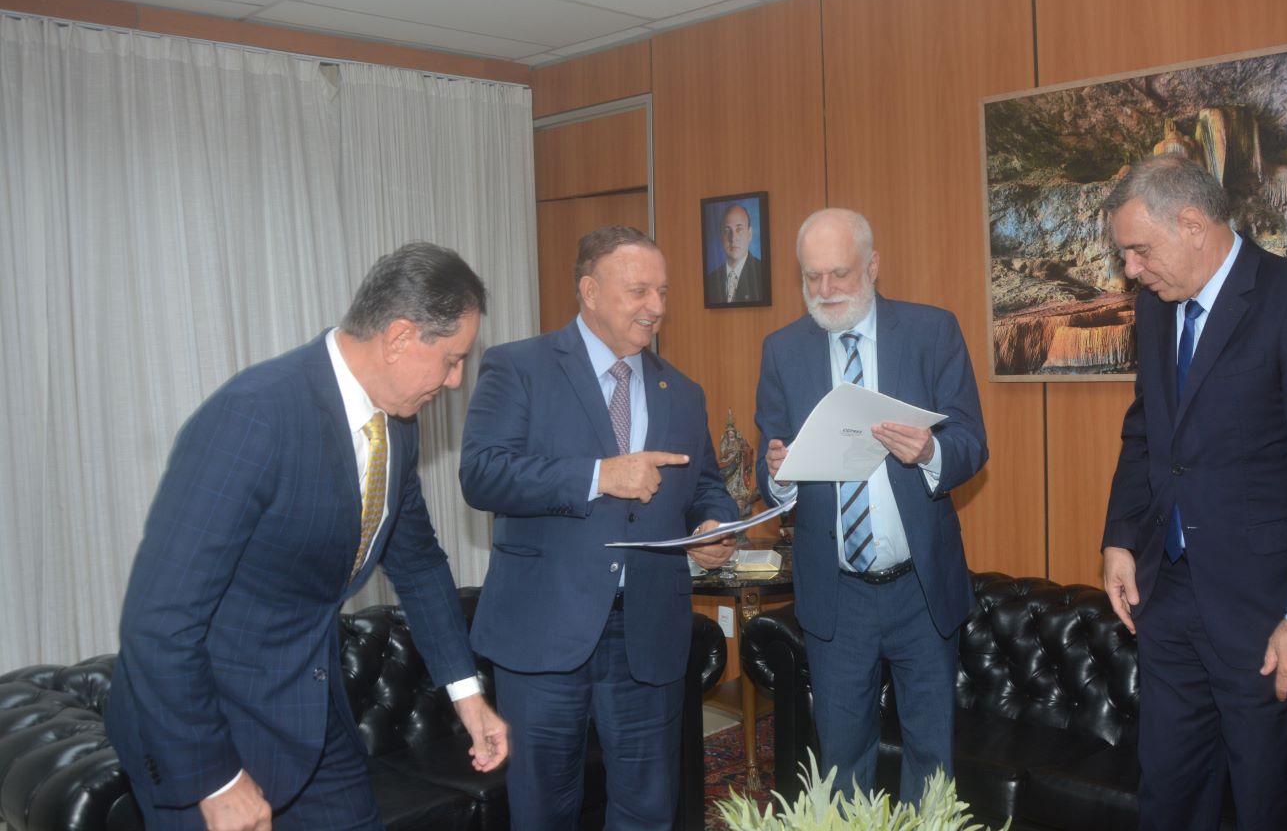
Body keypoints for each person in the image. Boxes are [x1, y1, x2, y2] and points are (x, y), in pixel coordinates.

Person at [106, 242, 508, 831]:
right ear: (399, 338)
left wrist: (466, 693)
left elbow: (418, 563)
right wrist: (214, 780)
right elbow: (159, 620)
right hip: (202, 723)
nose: (454, 381)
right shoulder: (253, 417)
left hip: (309, 714)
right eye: (451, 359)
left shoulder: (397, 427)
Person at [1099, 155, 1287, 831]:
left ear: (1193, 225)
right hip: (1172, 600)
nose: (1130, 270)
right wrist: (1121, 537)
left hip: (1274, 614)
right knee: (1169, 798)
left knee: (1268, 806)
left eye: (1139, 250)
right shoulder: (1156, 308)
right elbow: (1146, 433)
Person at [459, 224, 738, 830]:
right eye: (639, 291)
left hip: (648, 631)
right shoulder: (518, 367)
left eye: (663, 292)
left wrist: (715, 523)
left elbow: (706, 483)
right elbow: (482, 475)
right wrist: (597, 475)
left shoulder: (682, 391)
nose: (656, 307)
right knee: (544, 811)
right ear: (589, 291)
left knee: (648, 809)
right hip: (544, 631)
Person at [754, 207, 988, 802]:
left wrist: (931, 450)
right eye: (812, 277)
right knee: (841, 762)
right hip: (838, 595)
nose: (825, 289)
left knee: (931, 760)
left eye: (839, 273)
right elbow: (769, 460)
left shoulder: (932, 332)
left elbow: (971, 442)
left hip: (920, 588)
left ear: (873, 265)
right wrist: (779, 474)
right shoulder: (783, 350)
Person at [705, 203, 767, 305]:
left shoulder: (763, 274)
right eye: (727, 230)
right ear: (721, 236)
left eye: (739, 229)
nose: (733, 238)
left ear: (750, 234)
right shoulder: (710, 280)